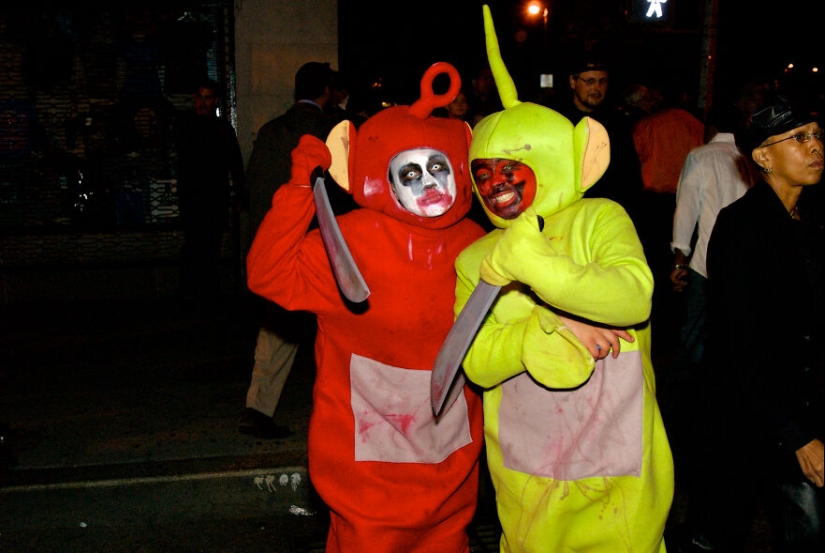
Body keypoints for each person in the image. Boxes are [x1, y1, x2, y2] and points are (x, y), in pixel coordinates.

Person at [453, 6, 674, 551]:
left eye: (510, 168)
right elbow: (475, 362)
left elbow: (633, 297)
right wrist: (546, 329)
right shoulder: (474, 256)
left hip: (619, 472)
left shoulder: (601, 217)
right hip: (530, 480)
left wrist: (538, 267)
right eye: (484, 173)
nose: (496, 184)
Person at [246, 63, 486, 551]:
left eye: (438, 167)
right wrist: (297, 192)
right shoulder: (347, 244)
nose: (428, 184)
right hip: (366, 478)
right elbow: (268, 275)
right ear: (382, 178)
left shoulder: (478, 245)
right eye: (411, 171)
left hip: (450, 466)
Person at [682, 95, 824, 552]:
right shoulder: (741, 226)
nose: (815, 146)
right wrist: (796, 436)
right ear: (762, 156)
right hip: (747, 423)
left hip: (801, 414)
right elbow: (740, 341)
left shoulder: (815, 223)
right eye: (799, 138)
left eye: (818, 136)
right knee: (719, 533)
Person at [239, 62, 340, 439]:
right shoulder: (330, 132)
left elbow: (251, 191)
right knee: (336, 333)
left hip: (277, 249)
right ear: (327, 91)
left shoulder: (269, 131)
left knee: (278, 331)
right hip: (322, 250)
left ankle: (257, 408)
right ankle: (338, 418)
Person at [631, 86, 706, 357]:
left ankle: (656, 330)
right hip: (689, 203)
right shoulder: (695, 124)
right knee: (682, 265)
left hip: (654, 207)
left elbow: (638, 164)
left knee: (654, 269)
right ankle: (677, 332)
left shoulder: (647, 126)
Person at [171, 77, 245, 302]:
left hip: (213, 197)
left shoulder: (221, 129)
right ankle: (194, 291)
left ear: (215, 101)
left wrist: (241, 194)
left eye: (207, 98)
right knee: (196, 243)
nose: (203, 103)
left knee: (210, 244)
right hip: (195, 196)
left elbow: (235, 163)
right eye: (199, 97)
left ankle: (204, 291)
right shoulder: (185, 125)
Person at [551, 47, 644, 225]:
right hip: (566, 216)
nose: (597, 88)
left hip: (606, 217)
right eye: (590, 81)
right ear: (573, 81)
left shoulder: (617, 124)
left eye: (602, 81)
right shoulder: (558, 121)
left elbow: (630, 177)